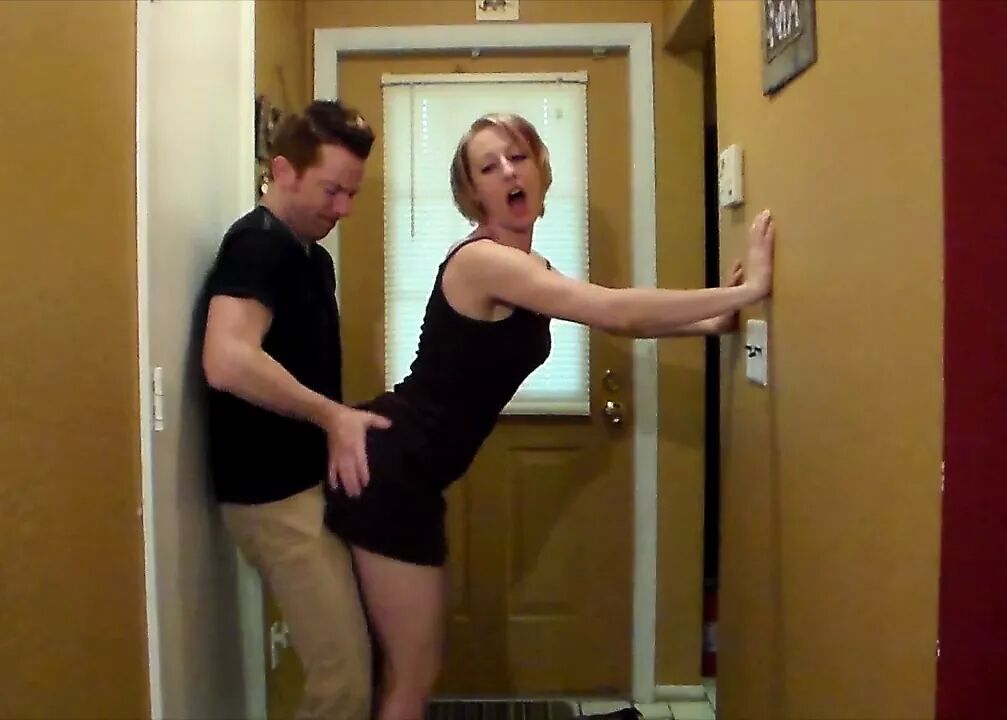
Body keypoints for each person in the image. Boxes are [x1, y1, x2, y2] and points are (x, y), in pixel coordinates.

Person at [322, 113, 776, 720]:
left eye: (518, 156)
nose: (508, 172)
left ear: (539, 166)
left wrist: (714, 321)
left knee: (410, 670)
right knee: (410, 675)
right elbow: (615, 311)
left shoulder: (529, 264)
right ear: (472, 192)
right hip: (389, 472)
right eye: (489, 167)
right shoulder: (485, 261)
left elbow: (617, 318)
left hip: (412, 476)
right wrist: (745, 293)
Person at [200, 99, 386, 720]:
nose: (343, 209)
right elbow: (226, 359)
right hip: (271, 499)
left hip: (303, 487)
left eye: (352, 193)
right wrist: (332, 416)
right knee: (344, 682)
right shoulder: (257, 245)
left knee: (353, 664)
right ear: (282, 171)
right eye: (332, 190)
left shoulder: (312, 257)